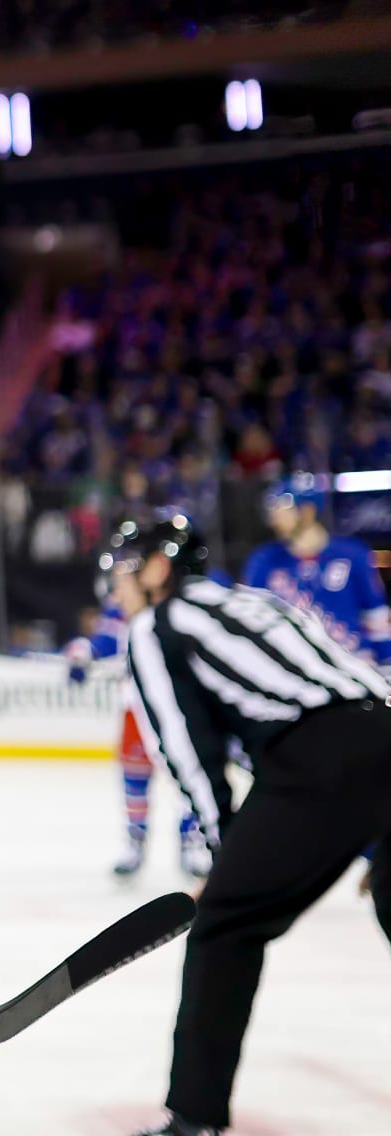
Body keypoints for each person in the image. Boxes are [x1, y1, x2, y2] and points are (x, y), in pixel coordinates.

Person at [104, 513, 391, 1136]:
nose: (116, 590)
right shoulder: (254, 601)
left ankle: (192, 1119)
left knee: (223, 931)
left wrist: (225, 856)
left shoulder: (157, 625)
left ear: (158, 569)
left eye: (124, 572)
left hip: (321, 760)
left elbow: (186, 751)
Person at [62, 603, 205, 878]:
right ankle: (135, 842)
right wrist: (81, 652)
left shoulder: (181, 603)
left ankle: (192, 841)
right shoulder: (121, 609)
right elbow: (102, 642)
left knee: (188, 776)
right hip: (136, 709)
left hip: (180, 707)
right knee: (135, 776)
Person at [243, 472, 391, 664]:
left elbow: (376, 618)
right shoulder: (263, 560)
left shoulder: (353, 553)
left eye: (281, 509)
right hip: (296, 670)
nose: (274, 519)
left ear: (307, 510)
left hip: (354, 667)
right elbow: (251, 619)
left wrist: (387, 668)